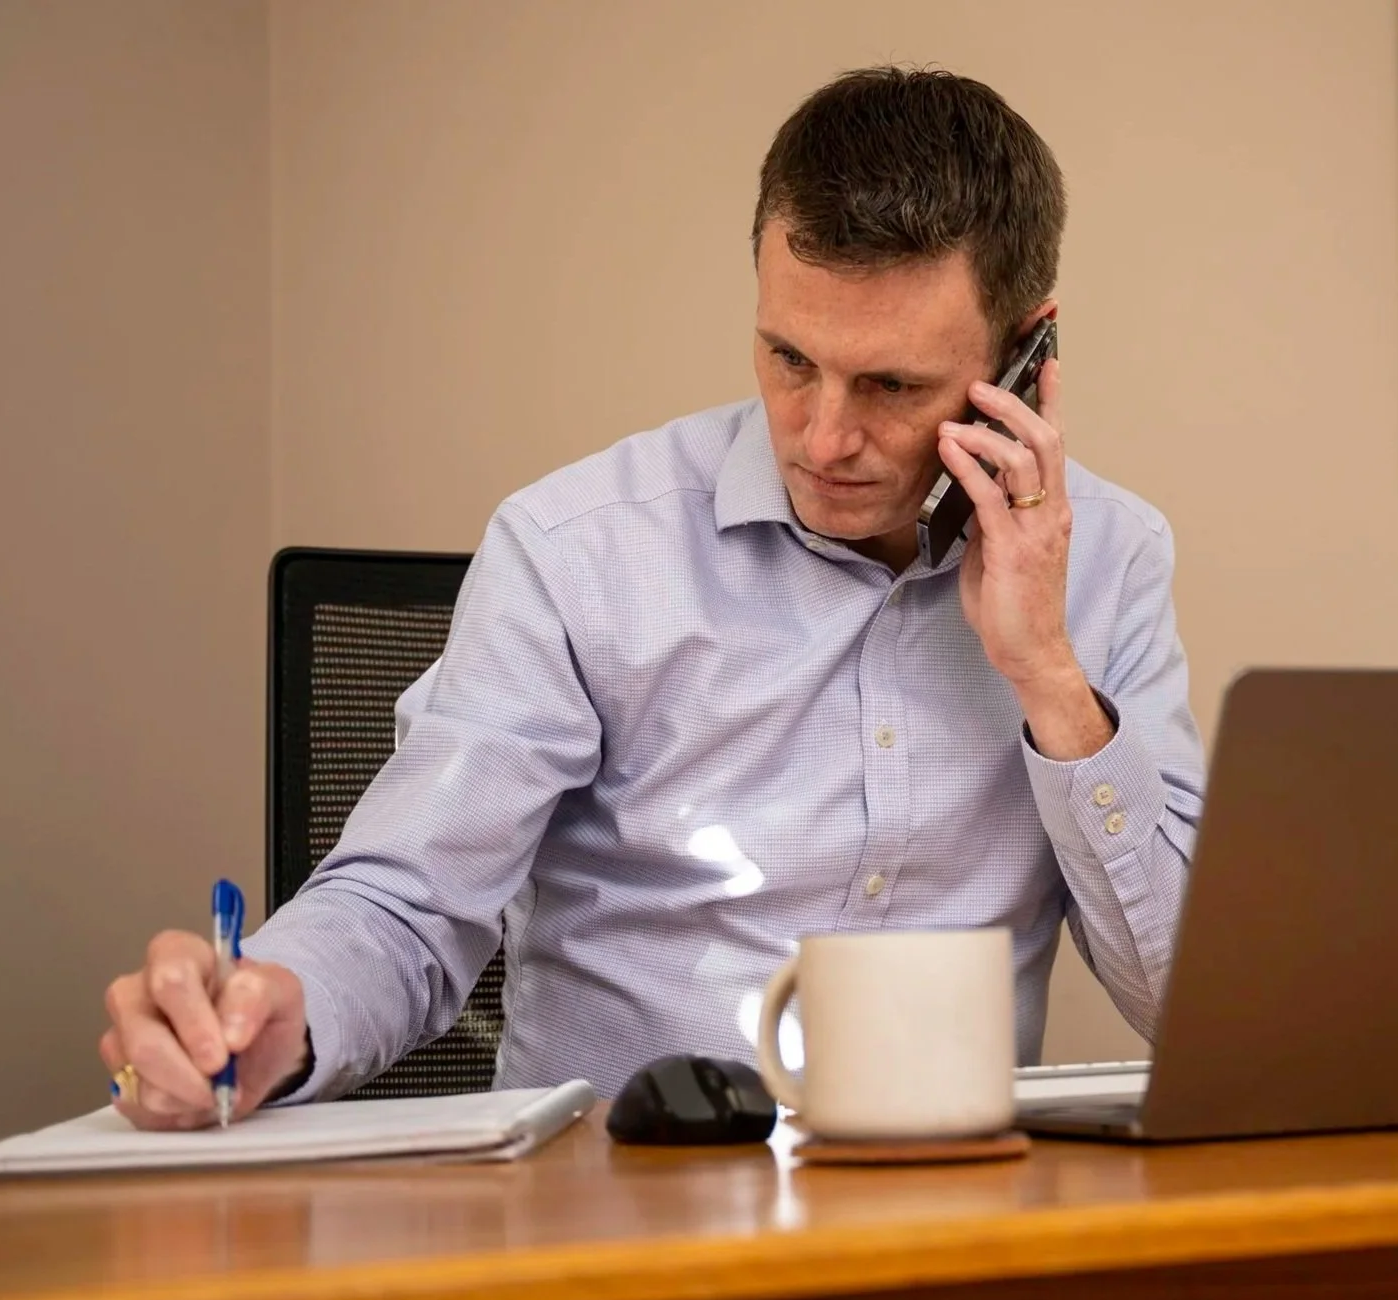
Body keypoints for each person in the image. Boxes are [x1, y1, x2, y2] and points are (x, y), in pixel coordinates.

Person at [97, 66, 1205, 1127]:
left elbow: (1184, 1004)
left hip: (940, 1218)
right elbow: (405, 905)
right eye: (787, 357)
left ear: (1026, 354)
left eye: (892, 385)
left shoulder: (1109, 560)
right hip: (613, 1215)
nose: (822, 437)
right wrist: (270, 1013)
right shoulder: (574, 548)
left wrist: (1050, 678)